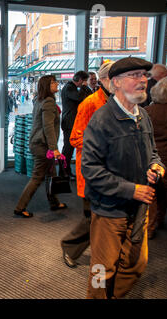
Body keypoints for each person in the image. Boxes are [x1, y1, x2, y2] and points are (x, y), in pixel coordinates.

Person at [82, 57, 165, 299]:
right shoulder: (102, 120)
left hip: (139, 209)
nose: (142, 81)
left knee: (135, 265)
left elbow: (154, 155)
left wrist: (157, 168)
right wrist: (132, 190)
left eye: (144, 75)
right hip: (109, 210)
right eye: (135, 75)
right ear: (116, 83)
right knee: (101, 270)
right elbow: (90, 169)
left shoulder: (144, 117)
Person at [60, 61, 114, 268]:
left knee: (108, 217)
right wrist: (106, 143)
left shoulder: (119, 104)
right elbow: (75, 139)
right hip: (93, 172)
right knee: (93, 217)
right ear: (104, 80)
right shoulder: (90, 103)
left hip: (113, 172)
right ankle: (70, 245)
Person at [14, 75, 67, 218]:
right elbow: (48, 127)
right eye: (53, 82)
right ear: (47, 86)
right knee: (37, 177)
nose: (56, 84)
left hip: (38, 143)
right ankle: (20, 207)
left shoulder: (39, 99)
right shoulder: (48, 102)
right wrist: (54, 148)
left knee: (51, 174)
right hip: (43, 145)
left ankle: (54, 202)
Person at [146, 78, 167, 239]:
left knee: (152, 192)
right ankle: (160, 219)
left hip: (151, 157)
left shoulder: (147, 111)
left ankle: (150, 227)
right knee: (165, 189)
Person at [61, 70, 91, 177]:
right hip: (69, 122)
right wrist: (83, 87)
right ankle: (64, 171)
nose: (86, 83)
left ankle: (66, 171)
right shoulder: (69, 88)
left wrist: (84, 87)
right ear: (80, 80)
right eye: (85, 81)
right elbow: (79, 98)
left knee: (69, 148)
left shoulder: (73, 88)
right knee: (68, 148)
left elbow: (88, 96)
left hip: (72, 122)